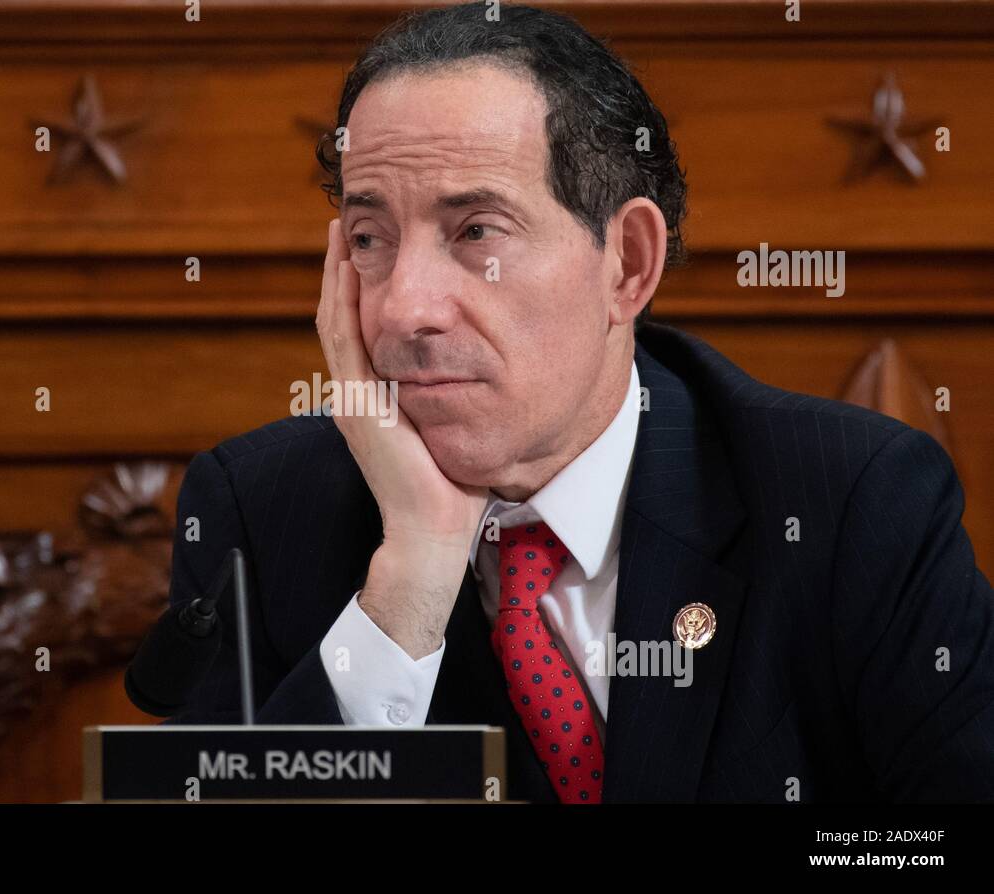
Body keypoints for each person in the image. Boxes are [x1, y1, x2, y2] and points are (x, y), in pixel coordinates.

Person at [164, 2, 994, 803]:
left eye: (476, 232)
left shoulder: (850, 502)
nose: (403, 307)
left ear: (627, 264)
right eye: (370, 239)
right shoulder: (258, 514)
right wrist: (410, 579)